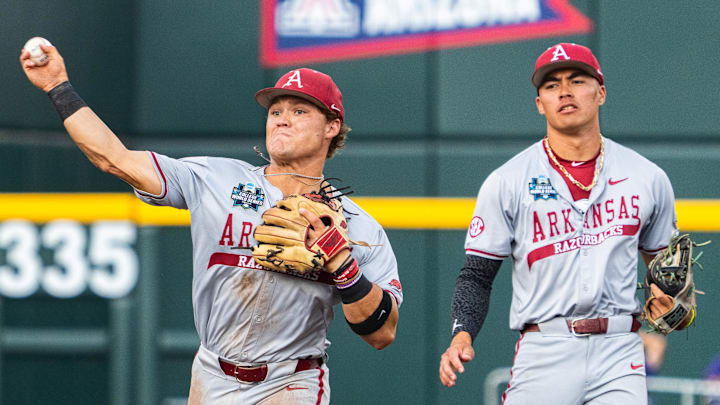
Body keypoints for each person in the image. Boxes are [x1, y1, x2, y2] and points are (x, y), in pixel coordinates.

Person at [21, 44, 402, 404]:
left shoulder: (357, 227)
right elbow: (114, 158)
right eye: (275, 111)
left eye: (300, 111)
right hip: (212, 374)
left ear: (331, 127)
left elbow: (383, 333)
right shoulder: (215, 179)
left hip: (292, 381)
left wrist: (343, 265)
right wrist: (58, 86)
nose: (282, 119)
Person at [438, 43, 687, 404]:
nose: (565, 91)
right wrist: (462, 335)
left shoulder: (647, 176)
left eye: (577, 80)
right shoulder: (507, 180)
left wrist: (677, 305)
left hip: (619, 348)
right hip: (545, 347)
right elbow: (476, 275)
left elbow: (669, 279)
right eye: (551, 85)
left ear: (601, 93)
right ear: (540, 103)